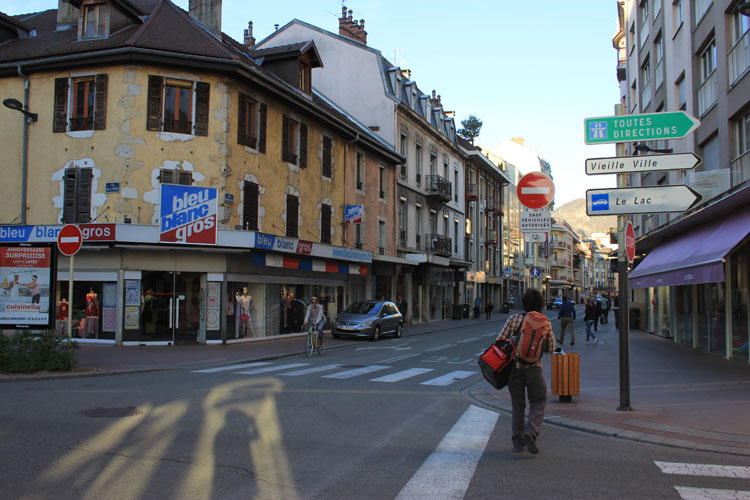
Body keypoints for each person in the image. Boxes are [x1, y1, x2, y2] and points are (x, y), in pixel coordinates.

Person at [495, 288, 555, 454]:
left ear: (524, 303)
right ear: (541, 304)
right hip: (534, 368)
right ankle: (532, 430)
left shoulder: (514, 319)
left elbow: (499, 340)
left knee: (518, 404)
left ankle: (518, 443)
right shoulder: (545, 322)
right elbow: (551, 347)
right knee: (539, 400)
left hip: (514, 368)